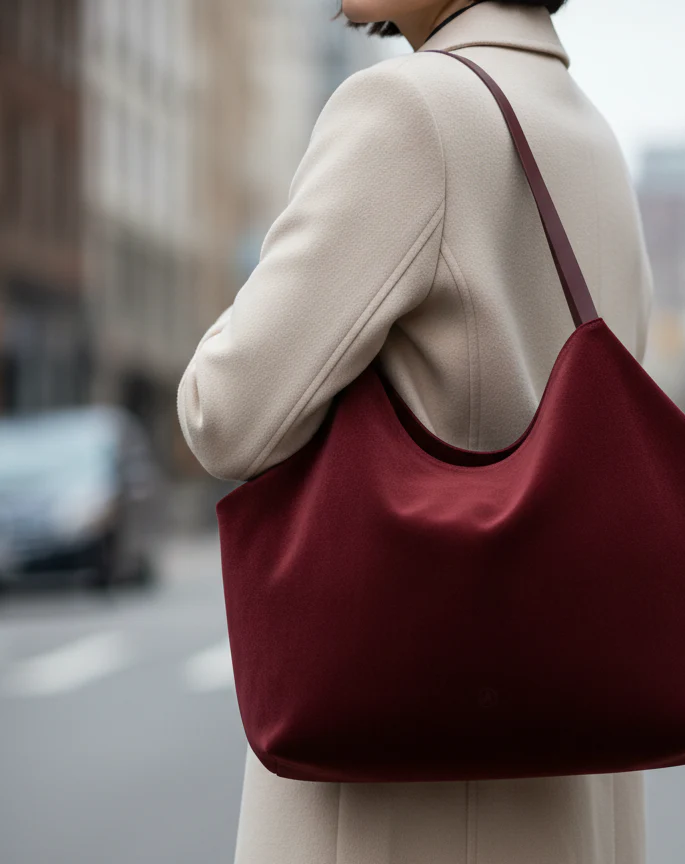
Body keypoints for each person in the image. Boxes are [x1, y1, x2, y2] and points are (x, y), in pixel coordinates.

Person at [177, 1, 654, 862]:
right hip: (565, 799)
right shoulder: (592, 138)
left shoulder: (407, 114)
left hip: (408, 806)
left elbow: (227, 414)